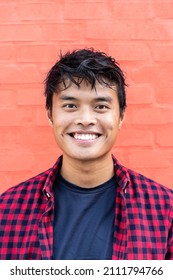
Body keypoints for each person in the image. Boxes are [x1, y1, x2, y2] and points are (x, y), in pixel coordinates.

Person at [0, 49, 173, 260]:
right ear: (50, 115)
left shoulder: (165, 210)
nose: (85, 119)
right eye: (70, 105)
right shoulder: (7, 210)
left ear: (121, 116)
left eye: (100, 106)